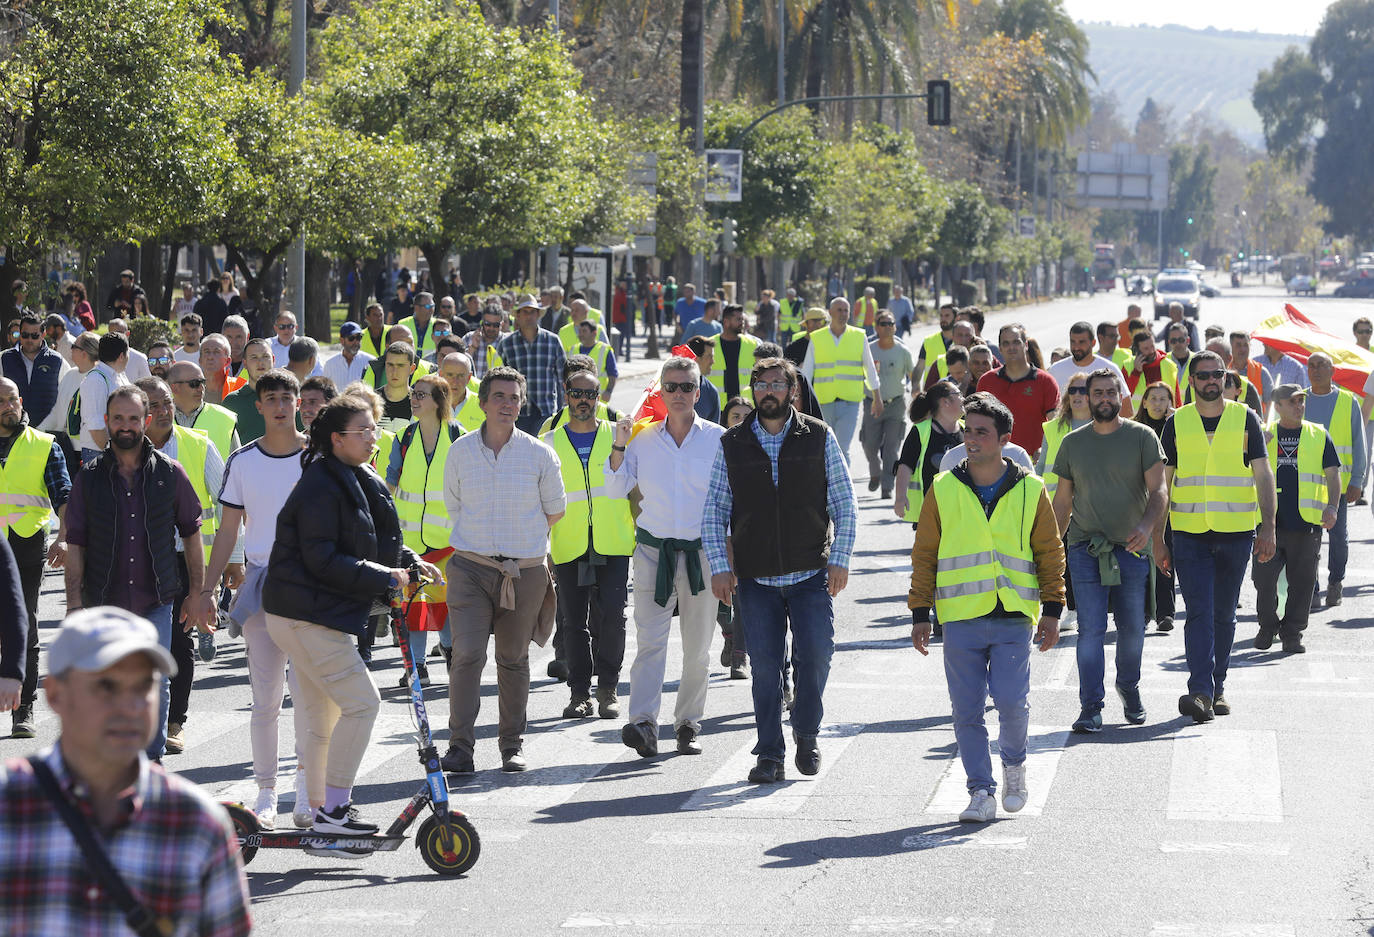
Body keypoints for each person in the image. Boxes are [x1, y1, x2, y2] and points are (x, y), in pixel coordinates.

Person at [0, 607, 252, 935]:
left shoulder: (196, 824)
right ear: (57, 694)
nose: (131, 706)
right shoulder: (10, 805)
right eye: (107, 686)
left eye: (143, 685)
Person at [262, 394, 437, 834]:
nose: (373, 437)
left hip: (310, 612)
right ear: (338, 439)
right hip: (304, 614)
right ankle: (334, 813)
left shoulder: (355, 474)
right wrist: (387, 576)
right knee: (363, 704)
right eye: (363, 431)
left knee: (326, 716)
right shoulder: (322, 482)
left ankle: (323, 812)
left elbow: (370, 541)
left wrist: (409, 563)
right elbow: (323, 557)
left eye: (373, 428)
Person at [908, 393, 1064, 823]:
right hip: (960, 616)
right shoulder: (944, 487)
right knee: (967, 712)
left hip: (1013, 613)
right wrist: (920, 612)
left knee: (1012, 703)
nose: (971, 439)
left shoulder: (1031, 489)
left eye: (981, 432)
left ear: (1004, 440)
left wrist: (1053, 608)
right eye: (967, 430)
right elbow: (925, 553)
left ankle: (1014, 767)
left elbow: (1049, 550)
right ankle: (981, 791)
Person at [703, 356, 857, 783]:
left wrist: (840, 558)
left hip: (810, 574)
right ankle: (769, 753)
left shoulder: (819, 436)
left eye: (777, 384)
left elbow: (844, 503)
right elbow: (715, 511)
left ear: (793, 391)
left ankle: (806, 733)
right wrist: (720, 566)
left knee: (816, 658)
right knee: (765, 669)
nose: (767, 391)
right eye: (760, 384)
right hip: (756, 579)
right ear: (753, 391)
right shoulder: (732, 443)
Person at [192, 369, 313, 828]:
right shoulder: (242, 461)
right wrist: (206, 589)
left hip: (308, 589)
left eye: (287, 397)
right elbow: (228, 531)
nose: (280, 405)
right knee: (265, 699)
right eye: (271, 399)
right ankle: (267, 792)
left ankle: (306, 787)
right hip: (261, 586)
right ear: (258, 406)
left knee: (307, 697)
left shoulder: (317, 458)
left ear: (298, 402)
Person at [63, 385, 204, 760]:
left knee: (153, 680)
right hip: (103, 600)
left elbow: (192, 534)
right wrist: (74, 604)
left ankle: (151, 761)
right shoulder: (89, 478)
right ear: (107, 422)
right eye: (118, 418)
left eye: (133, 418)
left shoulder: (171, 474)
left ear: (148, 420)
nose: (126, 426)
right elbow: (74, 543)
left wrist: (197, 593)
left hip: (156, 598)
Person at [438, 367, 562, 775]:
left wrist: (519, 543)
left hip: (524, 573)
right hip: (471, 568)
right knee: (467, 655)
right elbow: (454, 505)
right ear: (483, 403)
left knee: (512, 658)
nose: (508, 404)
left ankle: (511, 745)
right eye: (500, 397)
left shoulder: (539, 453)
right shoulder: (460, 451)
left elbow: (554, 510)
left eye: (514, 398)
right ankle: (460, 747)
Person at [607, 357, 725, 759]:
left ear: (698, 391)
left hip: (702, 555)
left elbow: (733, 500)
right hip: (653, 552)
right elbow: (615, 487)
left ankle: (689, 723)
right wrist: (619, 443)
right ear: (660, 392)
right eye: (670, 387)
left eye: (686, 387)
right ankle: (643, 723)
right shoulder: (641, 439)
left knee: (697, 648)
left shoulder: (718, 440)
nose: (678, 394)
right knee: (650, 642)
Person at [1157, 351, 1276, 724]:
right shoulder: (1177, 423)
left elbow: (1263, 474)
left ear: (1226, 378)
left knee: (1224, 614)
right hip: (1189, 534)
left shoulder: (1246, 419)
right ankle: (1200, 692)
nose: (1212, 381)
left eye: (1218, 375)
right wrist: (1158, 538)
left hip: (1236, 533)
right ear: (1191, 381)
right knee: (1198, 613)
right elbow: (1164, 483)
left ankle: (1218, 686)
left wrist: (1268, 526)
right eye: (1204, 375)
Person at [1051, 369, 1167, 734]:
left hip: (1132, 549)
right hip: (1085, 548)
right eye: (1096, 392)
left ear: (1121, 396)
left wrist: (1147, 528)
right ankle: (1091, 706)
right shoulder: (1073, 443)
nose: (1103, 398)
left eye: (1109, 392)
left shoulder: (1142, 437)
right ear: (1084, 397)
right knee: (1090, 629)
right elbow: (1063, 501)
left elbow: (1159, 492)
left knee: (1133, 628)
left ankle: (1129, 687)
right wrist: (1050, 549)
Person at [134, 377, 238, 754]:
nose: (163, 412)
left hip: (185, 559)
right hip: (136, 561)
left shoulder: (197, 444)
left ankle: (174, 720)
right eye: (153, 405)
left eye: (166, 404)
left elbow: (230, 503)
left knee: (178, 643)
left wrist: (234, 560)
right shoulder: (123, 450)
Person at [542, 368, 634, 720]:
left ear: (600, 398)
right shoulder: (549, 441)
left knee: (613, 618)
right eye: (577, 393)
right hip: (569, 543)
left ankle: (608, 688)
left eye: (590, 394)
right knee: (573, 623)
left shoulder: (618, 434)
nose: (583, 400)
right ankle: (579, 693)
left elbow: (632, 486)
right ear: (566, 395)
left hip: (612, 541)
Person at [0, 376, 71, 738]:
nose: (7, 406)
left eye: (12, 400)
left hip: (26, 545)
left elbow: (64, 496)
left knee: (22, 623)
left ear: (21, 400)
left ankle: (22, 708)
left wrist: (64, 537)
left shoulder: (45, 445)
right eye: (1, 402)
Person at [384, 374, 463, 684]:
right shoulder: (403, 438)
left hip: (448, 542)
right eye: (413, 393)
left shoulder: (459, 437)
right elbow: (390, 482)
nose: (414, 399)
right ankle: (416, 667)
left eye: (422, 394)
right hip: (411, 544)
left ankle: (450, 650)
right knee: (414, 605)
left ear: (439, 401)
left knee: (444, 602)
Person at [1252, 384, 1341, 655]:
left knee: (1302, 584)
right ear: (1276, 406)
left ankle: (1292, 633)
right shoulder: (1264, 436)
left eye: (1301, 401)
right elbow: (1244, 473)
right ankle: (1267, 626)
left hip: (1306, 524)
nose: (1299, 406)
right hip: (1269, 524)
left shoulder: (1318, 434)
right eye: (1292, 402)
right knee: (1263, 581)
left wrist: (1332, 507)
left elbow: (1332, 474)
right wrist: (1258, 445)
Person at [1299, 352, 1364, 608]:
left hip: (1339, 484)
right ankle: (1311, 588)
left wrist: (1358, 480)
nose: (1315, 370)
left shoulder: (1348, 402)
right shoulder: (1299, 400)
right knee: (1308, 538)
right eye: (1311, 366)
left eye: (1321, 365)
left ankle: (1335, 582)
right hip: (1306, 484)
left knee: (1337, 537)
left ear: (1332, 370)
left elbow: (1359, 444)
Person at [800, 298, 881, 466]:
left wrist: (877, 396)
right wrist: (802, 400)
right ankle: (826, 488)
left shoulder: (859, 336)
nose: (843, 314)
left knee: (842, 447)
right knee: (825, 447)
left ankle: (844, 491)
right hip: (823, 402)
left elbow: (869, 369)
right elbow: (806, 373)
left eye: (846, 310)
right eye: (839, 310)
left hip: (850, 402)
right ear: (830, 313)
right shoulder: (817, 338)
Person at [977, 324, 1060, 458]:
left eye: (1016, 342)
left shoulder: (1045, 381)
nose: (1011, 347)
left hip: (1034, 461)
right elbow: (978, 422)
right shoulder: (986, 381)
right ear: (1000, 348)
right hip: (995, 460)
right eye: (1006, 343)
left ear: (1025, 345)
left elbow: (1055, 425)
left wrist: (1045, 450)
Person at [1134, 382, 1178, 632]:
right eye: (1154, 398)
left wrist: (1176, 422)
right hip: (1137, 500)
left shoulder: (1177, 426)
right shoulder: (1134, 428)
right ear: (1145, 401)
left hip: (1166, 501)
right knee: (1139, 557)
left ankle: (1165, 612)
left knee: (1164, 555)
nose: (1159, 404)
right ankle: (1141, 611)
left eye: (1164, 399)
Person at [861, 311, 914, 498]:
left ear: (895, 326)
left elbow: (913, 375)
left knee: (891, 448)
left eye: (890, 323)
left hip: (896, 404)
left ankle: (887, 485)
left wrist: (916, 391)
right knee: (869, 445)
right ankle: (875, 472)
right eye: (883, 323)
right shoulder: (868, 349)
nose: (887, 326)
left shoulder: (903, 351)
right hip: (872, 404)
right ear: (876, 327)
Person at [497, 298, 566, 435]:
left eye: (532, 312)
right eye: (525, 312)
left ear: (538, 315)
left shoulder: (553, 341)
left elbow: (563, 378)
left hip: (545, 410)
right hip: (516, 411)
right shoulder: (506, 344)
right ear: (518, 316)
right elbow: (498, 380)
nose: (529, 316)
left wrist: (563, 410)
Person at [1045, 321, 1132, 417]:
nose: (1076, 347)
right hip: (1066, 430)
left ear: (1093, 343)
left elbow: (1126, 408)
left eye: (1081, 342)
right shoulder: (1056, 370)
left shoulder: (1109, 369)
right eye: (1073, 342)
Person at [2, 311, 69, 427]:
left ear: (43, 335)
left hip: (47, 431)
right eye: (25, 335)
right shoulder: (4, 359)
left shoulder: (57, 361)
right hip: (12, 429)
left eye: (34, 336)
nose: (29, 340)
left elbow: (66, 397)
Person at [168, 361, 240, 463]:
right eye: (195, 384)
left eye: (203, 382)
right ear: (175, 387)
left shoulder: (225, 418)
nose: (201, 388)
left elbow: (238, 464)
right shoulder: (158, 418)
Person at [76, 332, 130, 462]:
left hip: (116, 451)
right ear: (122, 356)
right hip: (99, 453)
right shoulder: (95, 379)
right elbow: (95, 425)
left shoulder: (118, 375)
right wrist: (114, 456)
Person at [221, 338, 278, 444]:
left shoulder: (287, 398)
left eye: (265, 357)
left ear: (273, 360)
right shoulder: (232, 401)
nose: (260, 362)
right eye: (254, 358)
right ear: (245, 364)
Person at [710, 303, 761, 405]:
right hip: (718, 404)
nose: (742, 322)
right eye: (738, 319)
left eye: (742, 319)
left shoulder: (753, 344)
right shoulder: (710, 345)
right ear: (726, 322)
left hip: (746, 404)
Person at [1125, 331, 1179, 412]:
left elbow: (1177, 398)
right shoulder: (1127, 366)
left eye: (1152, 346)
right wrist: (1136, 373)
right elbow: (1123, 398)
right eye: (1146, 348)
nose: (1151, 351)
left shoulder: (1169, 365)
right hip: (1137, 420)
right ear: (1137, 351)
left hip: (1164, 420)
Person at [573, 318, 618, 401]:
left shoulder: (605, 350)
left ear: (594, 333)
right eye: (579, 331)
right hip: (577, 398)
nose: (580, 334)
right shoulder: (573, 350)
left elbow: (613, 374)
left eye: (584, 331)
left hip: (598, 398)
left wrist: (608, 391)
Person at [325, 320, 375, 389]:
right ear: (342, 341)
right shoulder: (330, 364)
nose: (356, 342)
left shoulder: (371, 362)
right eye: (351, 338)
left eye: (358, 337)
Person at [915, 304, 957, 382]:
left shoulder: (962, 340)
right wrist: (915, 386)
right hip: (931, 390)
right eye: (941, 316)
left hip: (955, 391)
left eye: (947, 316)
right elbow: (919, 367)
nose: (943, 319)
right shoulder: (929, 341)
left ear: (956, 318)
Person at [686, 336, 723, 424]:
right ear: (696, 359)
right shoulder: (670, 387)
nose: (713, 361)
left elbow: (714, 432)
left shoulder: (711, 392)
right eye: (709, 356)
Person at [467, 306, 506, 379]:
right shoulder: (469, 338)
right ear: (482, 323)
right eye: (488, 324)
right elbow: (460, 365)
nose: (491, 328)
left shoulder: (507, 342)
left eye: (496, 325)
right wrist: (472, 348)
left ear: (502, 324)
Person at [398, 290, 439, 359]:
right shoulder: (402, 324)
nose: (432, 309)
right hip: (407, 366)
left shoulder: (438, 325)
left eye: (433, 306)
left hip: (429, 367)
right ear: (417, 307)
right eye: (428, 306)